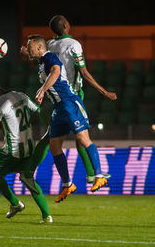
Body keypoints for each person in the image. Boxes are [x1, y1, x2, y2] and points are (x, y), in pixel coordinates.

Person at [26, 35, 111, 203]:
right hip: (59, 108)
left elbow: (56, 71)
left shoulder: (50, 57)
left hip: (69, 103)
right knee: (54, 146)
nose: (28, 49)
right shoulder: (42, 62)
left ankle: (99, 176)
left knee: (82, 138)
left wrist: (42, 90)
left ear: (39, 48)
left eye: (29, 47)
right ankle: (67, 184)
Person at [0, 82, 52, 223]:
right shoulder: (20, 95)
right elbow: (38, 110)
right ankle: (47, 216)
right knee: (27, 177)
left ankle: (15, 203)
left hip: (12, 150)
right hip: (30, 146)